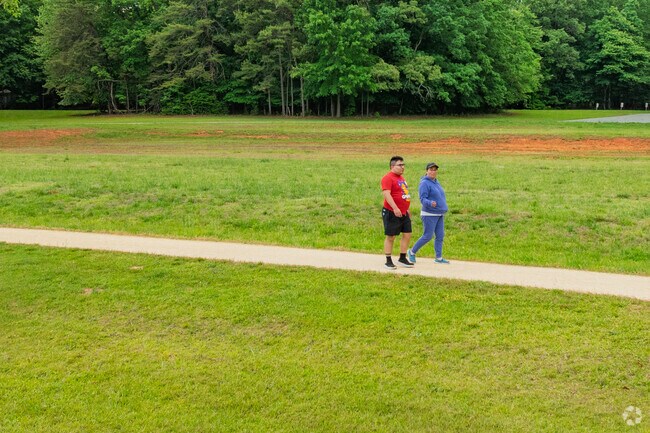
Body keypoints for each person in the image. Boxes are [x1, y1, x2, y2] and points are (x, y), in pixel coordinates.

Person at [407, 162, 449, 264]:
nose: (433, 172)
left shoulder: (436, 182)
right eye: (431, 169)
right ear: (426, 171)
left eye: (435, 170)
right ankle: (412, 252)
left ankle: (438, 258)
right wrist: (430, 203)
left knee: (440, 235)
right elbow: (422, 199)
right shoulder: (424, 183)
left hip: (439, 213)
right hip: (429, 214)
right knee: (428, 235)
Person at [381, 156, 415, 269]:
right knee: (391, 236)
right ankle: (388, 260)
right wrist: (395, 208)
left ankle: (402, 257)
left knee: (407, 234)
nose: (402, 167)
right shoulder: (387, 178)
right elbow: (387, 194)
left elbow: (403, 194)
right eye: (400, 165)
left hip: (404, 212)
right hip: (391, 211)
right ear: (392, 166)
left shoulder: (401, 178)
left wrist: (407, 208)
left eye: (403, 165)